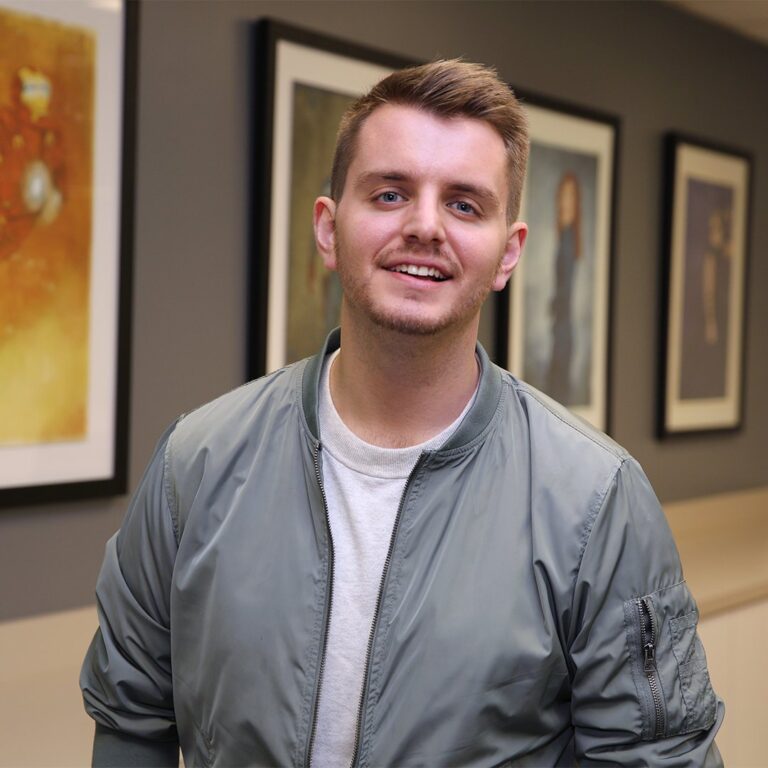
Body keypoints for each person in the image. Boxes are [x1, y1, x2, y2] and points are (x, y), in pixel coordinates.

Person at [81, 60, 723, 767]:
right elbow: (131, 722)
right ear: (329, 228)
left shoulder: (597, 503)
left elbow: (656, 758)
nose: (424, 226)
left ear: (509, 253)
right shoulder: (192, 467)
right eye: (389, 194)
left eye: (465, 204)